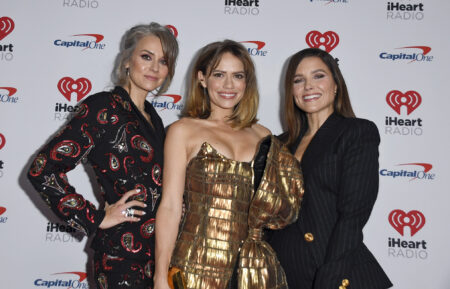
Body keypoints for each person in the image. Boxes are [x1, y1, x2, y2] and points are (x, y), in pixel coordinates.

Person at [27, 22, 178, 289]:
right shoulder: (103, 107)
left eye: (163, 61)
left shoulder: (153, 117)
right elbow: (43, 169)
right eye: (146, 56)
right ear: (127, 60)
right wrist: (94, 217)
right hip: (121, 259)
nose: (155, 68)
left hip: (157, 257)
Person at [153, 40, 303, 289]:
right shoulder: (183, 131)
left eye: (238, 76)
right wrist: (160, 276)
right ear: (202, 79)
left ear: (247, 83)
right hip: (195, 267)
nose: (228, 85)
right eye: (219, 74)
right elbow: (169, 207)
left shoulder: (264, 136)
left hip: (253, 272)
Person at [268, 48, 393, 289]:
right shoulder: (279, 144)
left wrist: (329, 279)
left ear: (336, 85)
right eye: (298, 80)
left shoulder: (356, 132)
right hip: (284, 274)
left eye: (318, 76)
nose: (308, 86)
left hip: (336, 273)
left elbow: (353, 217)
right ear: (291, 90)